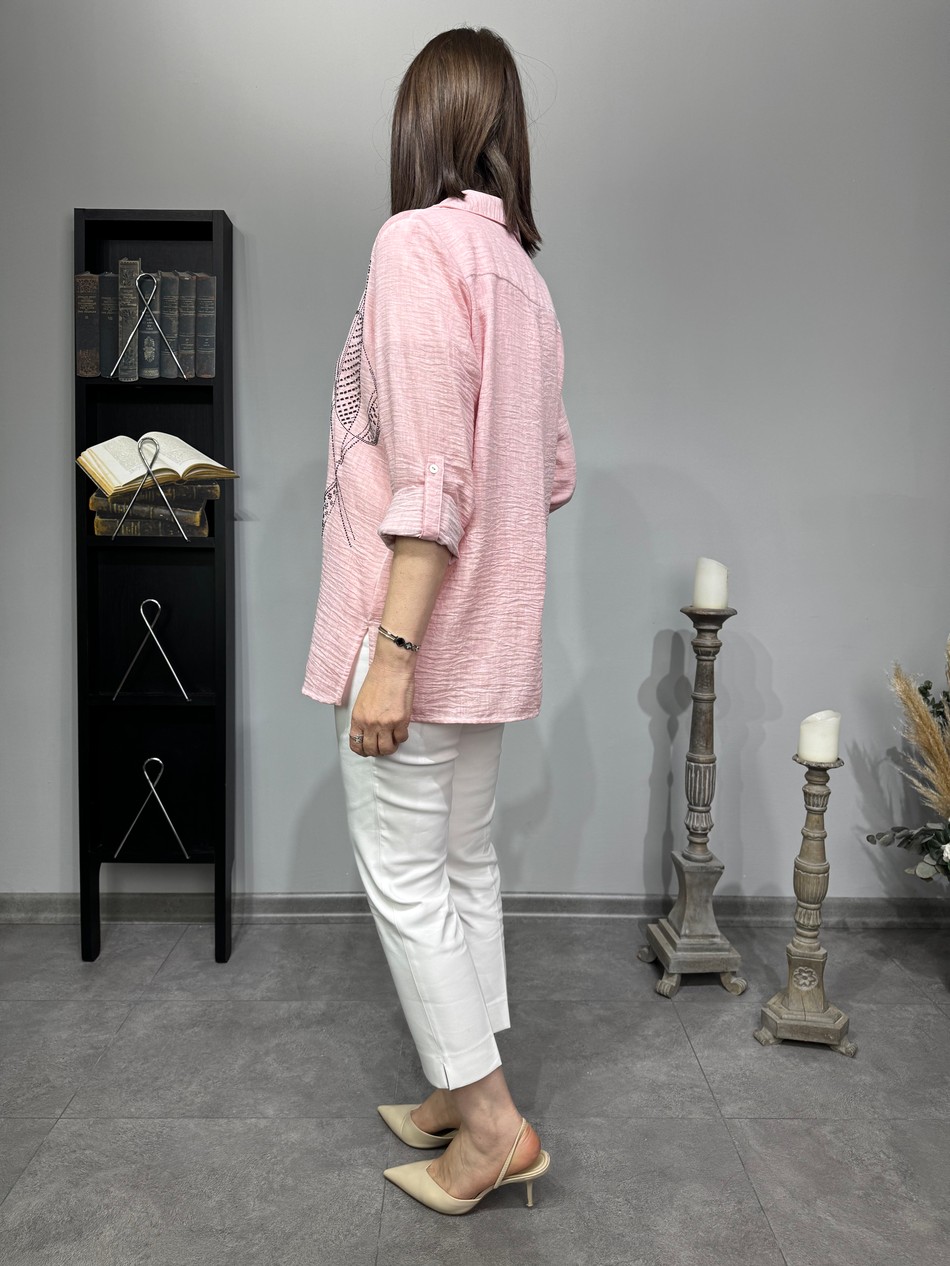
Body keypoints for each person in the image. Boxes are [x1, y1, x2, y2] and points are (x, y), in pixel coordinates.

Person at [302, 26, 575, 1215]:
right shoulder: (523, 275)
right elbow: (547, 471)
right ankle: (454, 1092)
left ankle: (491, 1126)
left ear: (419, 124)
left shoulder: (412, 246)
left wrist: (393, 655)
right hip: (491, 634)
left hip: (412, 626)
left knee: (405, 876)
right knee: (461, 865)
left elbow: (429, 478)